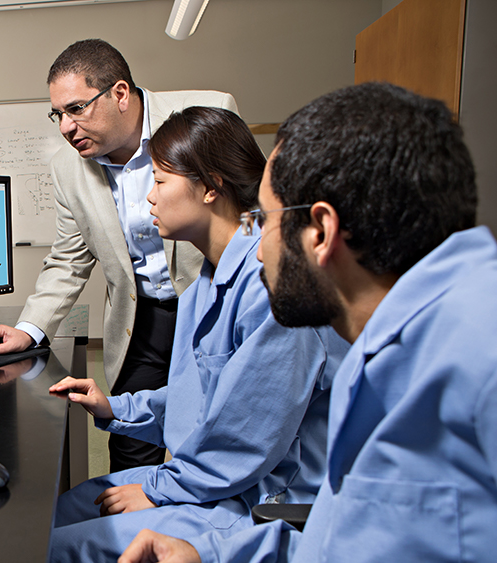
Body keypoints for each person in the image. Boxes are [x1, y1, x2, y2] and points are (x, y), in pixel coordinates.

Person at [117, 82, 497, 563]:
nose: (257, 247)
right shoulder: (390, 342)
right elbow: (335, 542)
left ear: (319, 232)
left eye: (266, 221)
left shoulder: (473, 360)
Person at [43, 106, 348, 562]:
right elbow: (198, 402)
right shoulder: (203, 280)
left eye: (161, 181)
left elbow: (244, 443)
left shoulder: (270, 286)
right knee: (60, 510)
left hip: (259, 500)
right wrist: (116, 407)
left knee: (57, 548)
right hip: (209, 477)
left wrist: (161, 489)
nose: (149, 197)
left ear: (210, 188)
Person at [0, 39, 238, 470]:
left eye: (76, 109)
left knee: (219, 432)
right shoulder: (66, 168)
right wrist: (30, 328)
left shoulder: (205, 115)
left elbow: (252, 209)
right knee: (130, 447)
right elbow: (68, 258)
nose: (65, 126)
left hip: (213, 305)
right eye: (57, 114)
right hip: (141, 320)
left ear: (119, 93)